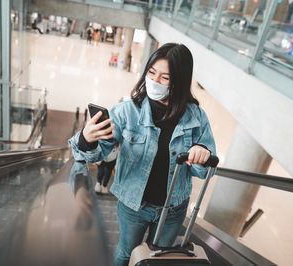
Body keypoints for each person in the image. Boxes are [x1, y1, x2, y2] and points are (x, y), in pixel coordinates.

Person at [68, 43, 216, 266]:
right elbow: (95, 154)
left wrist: (202, 154)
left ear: (180, 81)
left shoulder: (196, 117)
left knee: (160, 257)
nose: (155, 82)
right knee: (127, 252)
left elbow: (205, 171)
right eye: (151, 72)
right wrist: (86, 139)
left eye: (165, 78)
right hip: (133, 204)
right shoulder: (126, 112)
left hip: (174, 207)